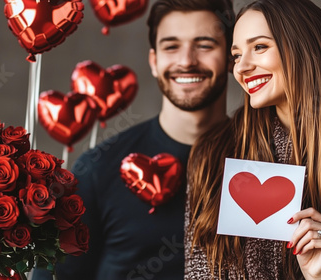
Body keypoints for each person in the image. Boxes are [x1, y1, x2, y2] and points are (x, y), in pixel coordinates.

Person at [30, 0, 234, 279]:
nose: (187, 60)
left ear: (232, 58)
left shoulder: (268, 161)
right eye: (171, 46)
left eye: (205, 45)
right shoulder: (97, 169)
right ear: (154, 60)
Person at [185, 0, 321, 279]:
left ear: (304, 49)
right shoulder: (212, 154)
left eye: (259, 47)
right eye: (236, 55)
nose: (241, 68)